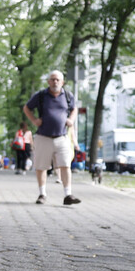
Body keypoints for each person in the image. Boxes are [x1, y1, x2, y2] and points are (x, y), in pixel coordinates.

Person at [22, 70, 80, 206]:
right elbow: (27, 108)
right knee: (41, 167)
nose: (55, 82)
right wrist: (34, 120)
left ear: (62, 82)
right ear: (48, 81)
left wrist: (71, 119)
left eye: (57, 80)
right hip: (43, 137)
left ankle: (68, 195)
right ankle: (42, 194)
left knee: (65, 165)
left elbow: (74, 109)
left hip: (62, 137)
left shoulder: (67, 96)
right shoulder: (41, 96)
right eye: (52, 79)